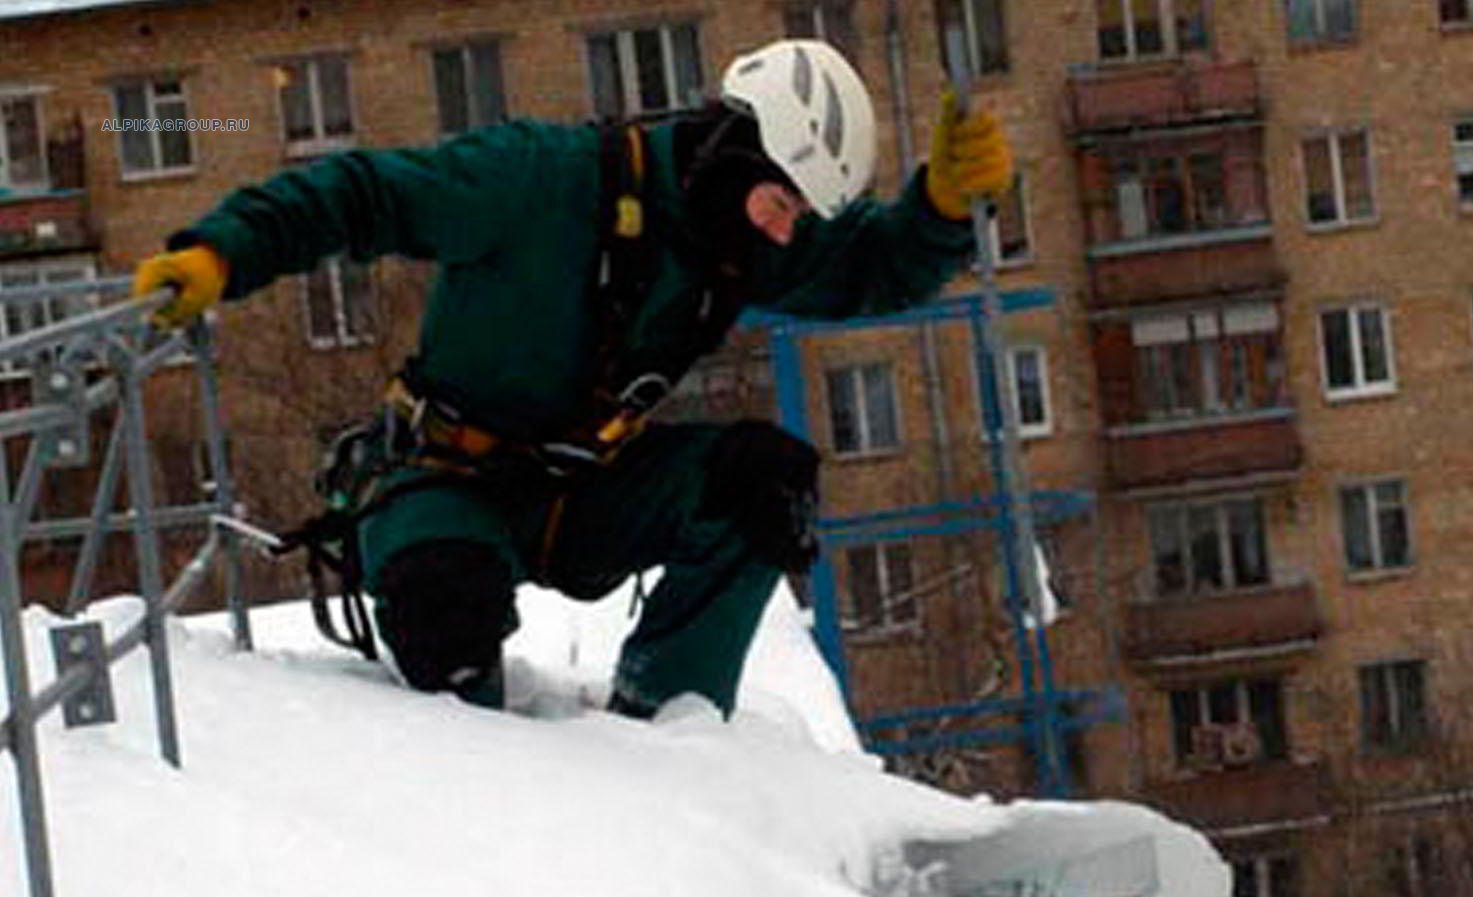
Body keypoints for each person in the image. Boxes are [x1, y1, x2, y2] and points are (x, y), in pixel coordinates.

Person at [132, 40, 1012, 716]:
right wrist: (222, 252)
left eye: (796, 217)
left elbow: (869, 268)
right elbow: (360, 194)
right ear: (730, 153)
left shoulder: (738, 240)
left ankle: (669, 729)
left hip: (580, 490)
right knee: (448, 605)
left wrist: (938, 206)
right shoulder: (537, 179)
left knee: (764, 482)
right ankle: (493, 835)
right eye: (781, 205)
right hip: (446, 480)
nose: (785, 234)